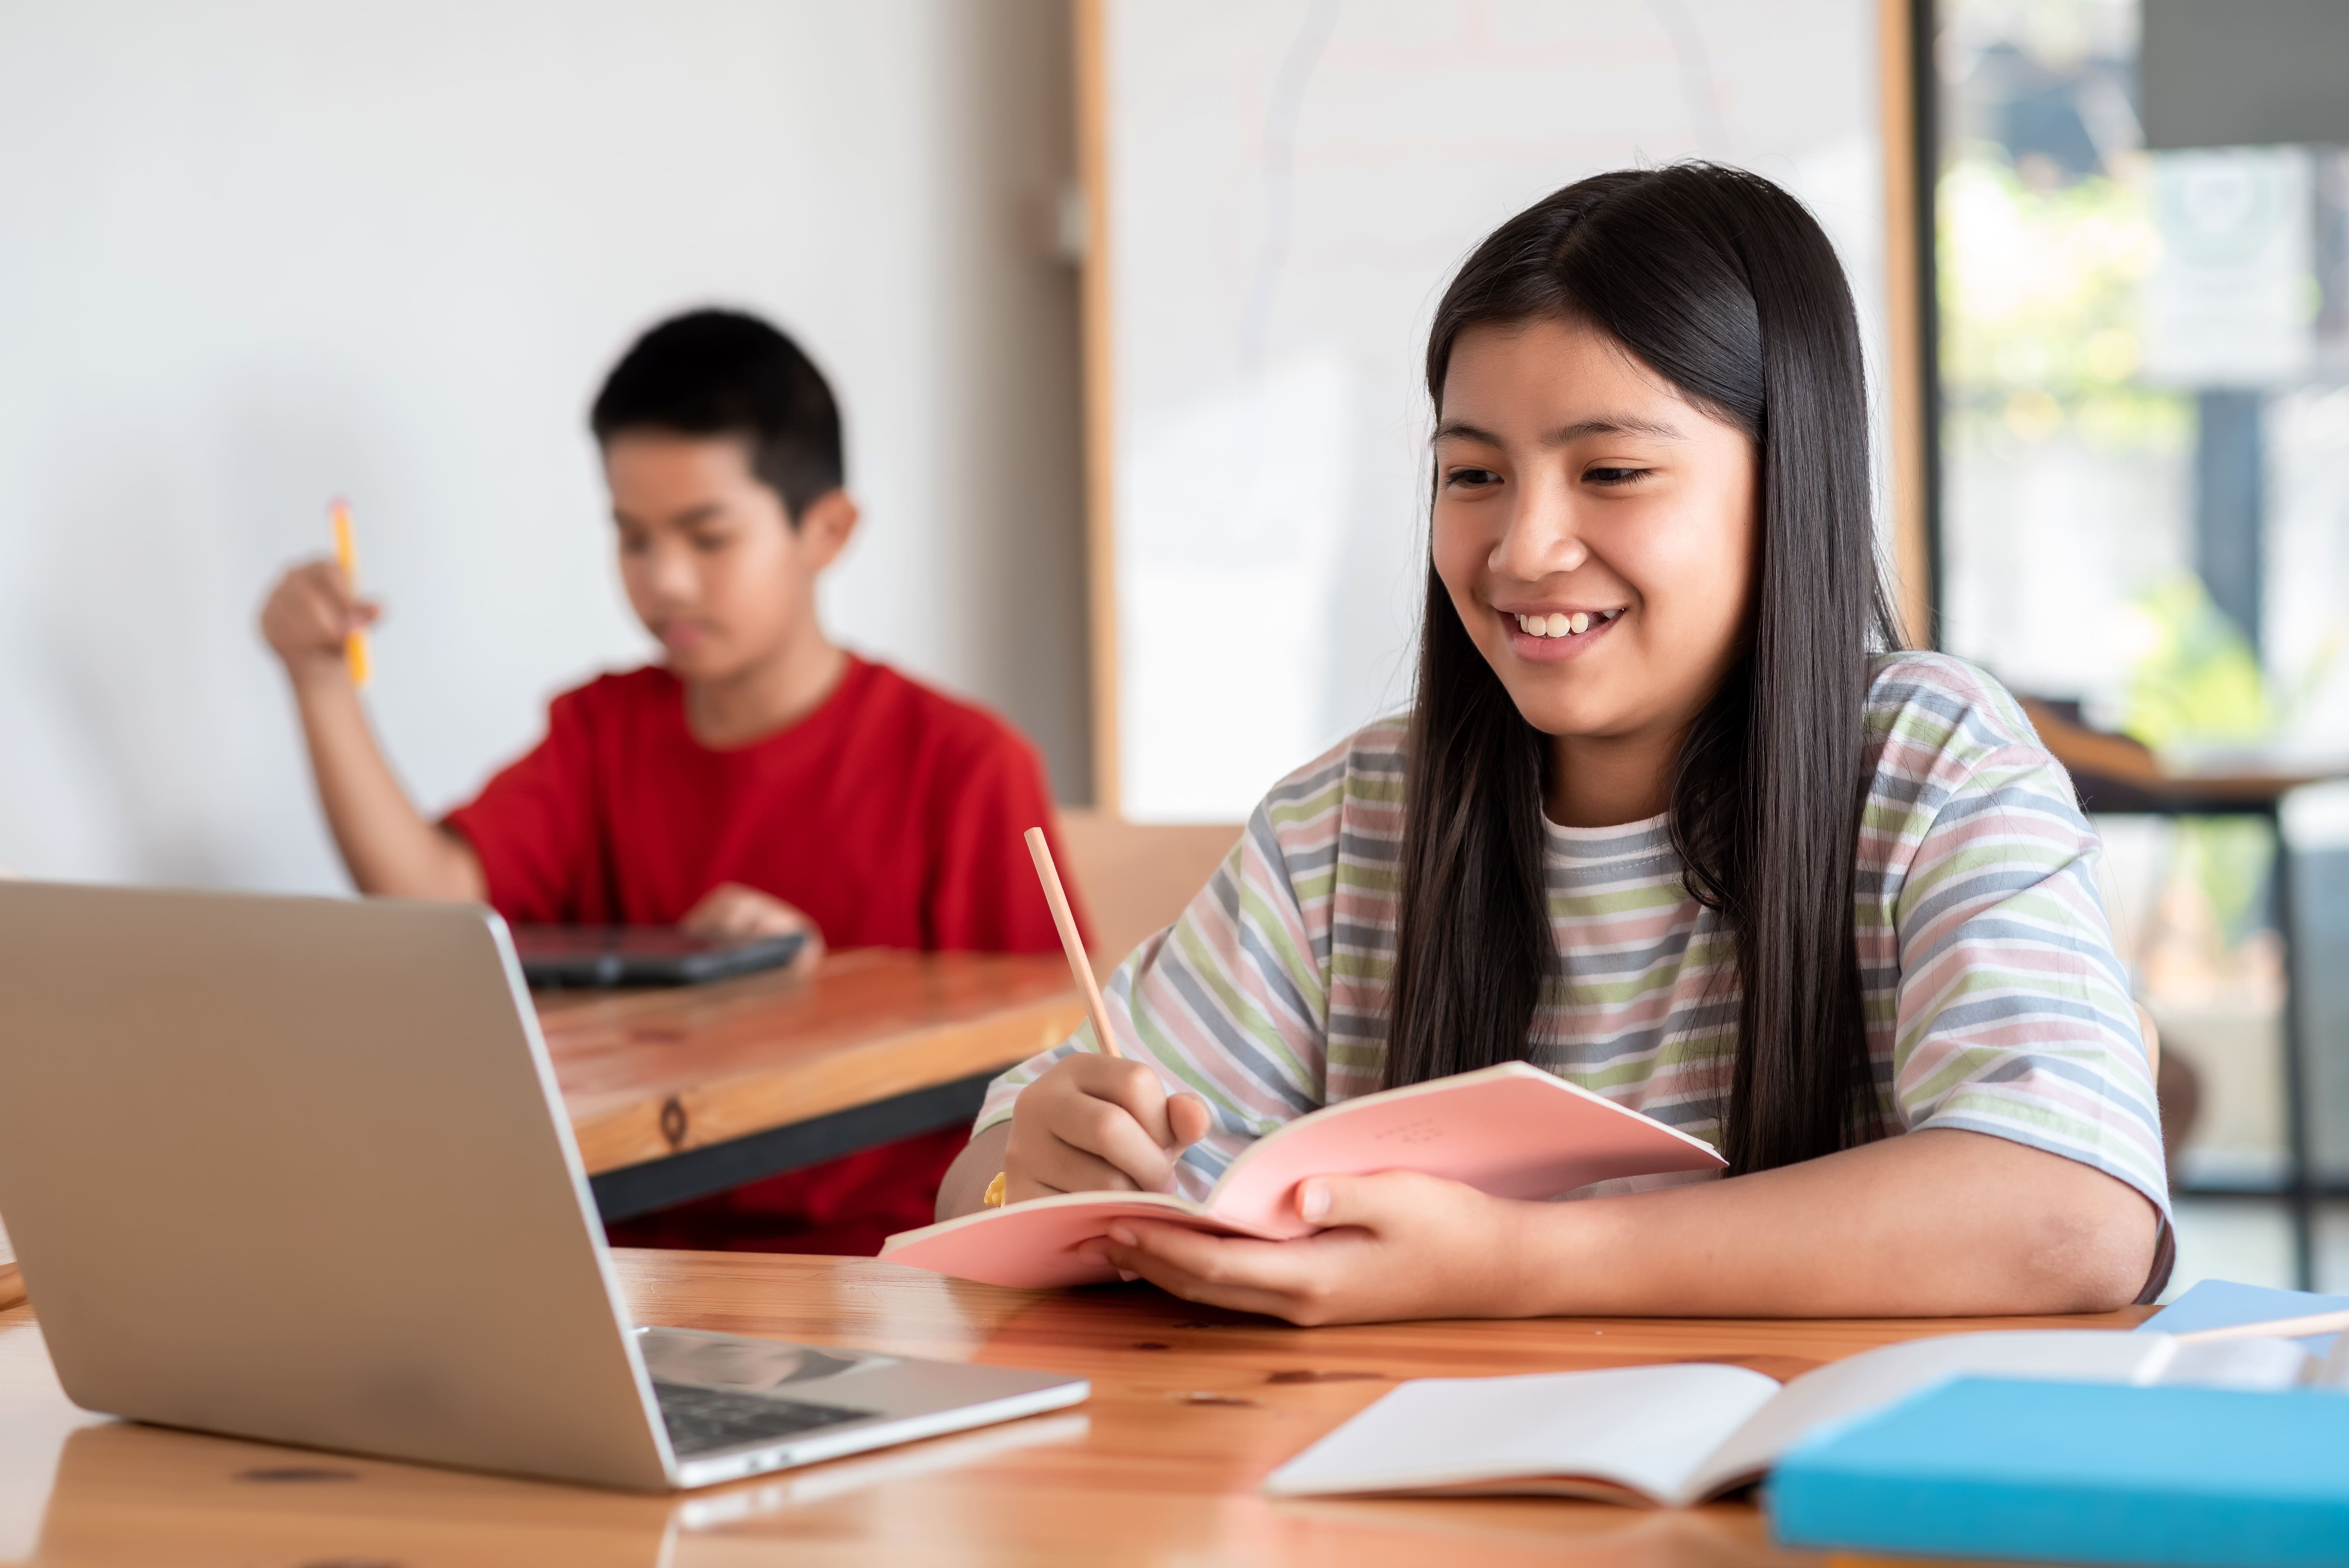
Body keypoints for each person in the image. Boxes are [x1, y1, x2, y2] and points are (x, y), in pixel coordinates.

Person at [938, 165, 2169, 1324]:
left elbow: (2076, 1220)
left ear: (1789, 481)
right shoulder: (1351, 824)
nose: (1524, 549)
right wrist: (1039, 1168)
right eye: (1473, 477)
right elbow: (977, 1196)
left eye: (1614, 471)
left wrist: (1519, 1263)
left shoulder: (1930, 763)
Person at [261, 308, 1077, 1255]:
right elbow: (433, 894)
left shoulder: (965, 764)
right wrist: (320, 682)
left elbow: (1053, 1063)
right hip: (625, 1259)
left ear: (827, 530)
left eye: (707, 536)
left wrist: (820, 995)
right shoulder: (602, 732)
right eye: (634, 537)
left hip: (877, 1270)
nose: (666, 581)